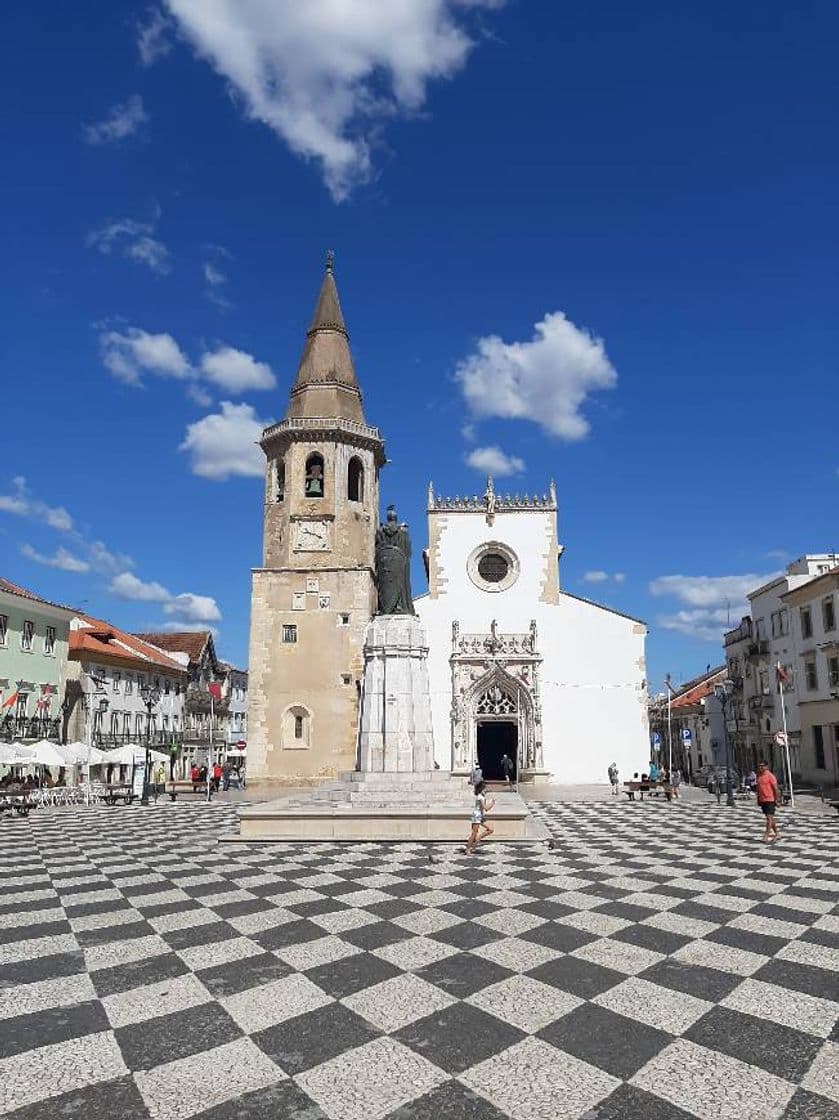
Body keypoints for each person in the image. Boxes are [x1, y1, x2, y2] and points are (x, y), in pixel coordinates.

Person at [756, 760, 781, 843]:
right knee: (770, 818)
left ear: (766, 767)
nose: (760, 767)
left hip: (770, 799)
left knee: (769, 818)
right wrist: (758, 799)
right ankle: (777, 834)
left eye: (762, 766)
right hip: (763, 800)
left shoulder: (770, 776)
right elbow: (758, 789)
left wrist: (777, 800)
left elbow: (776, 789)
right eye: (759, 766)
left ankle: (766, 836)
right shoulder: (759, 776)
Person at [465, 780, 494, 854]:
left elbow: (484, 809)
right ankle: (468, 848)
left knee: (490, 829)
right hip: (477, 815)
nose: (486, 790)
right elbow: (486, 808)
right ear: (481, 789)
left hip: (480, 815)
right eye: (485, 789)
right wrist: (492, 804)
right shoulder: (480, 797)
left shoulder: (482, 797)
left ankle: (477, 840)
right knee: (474, 833)